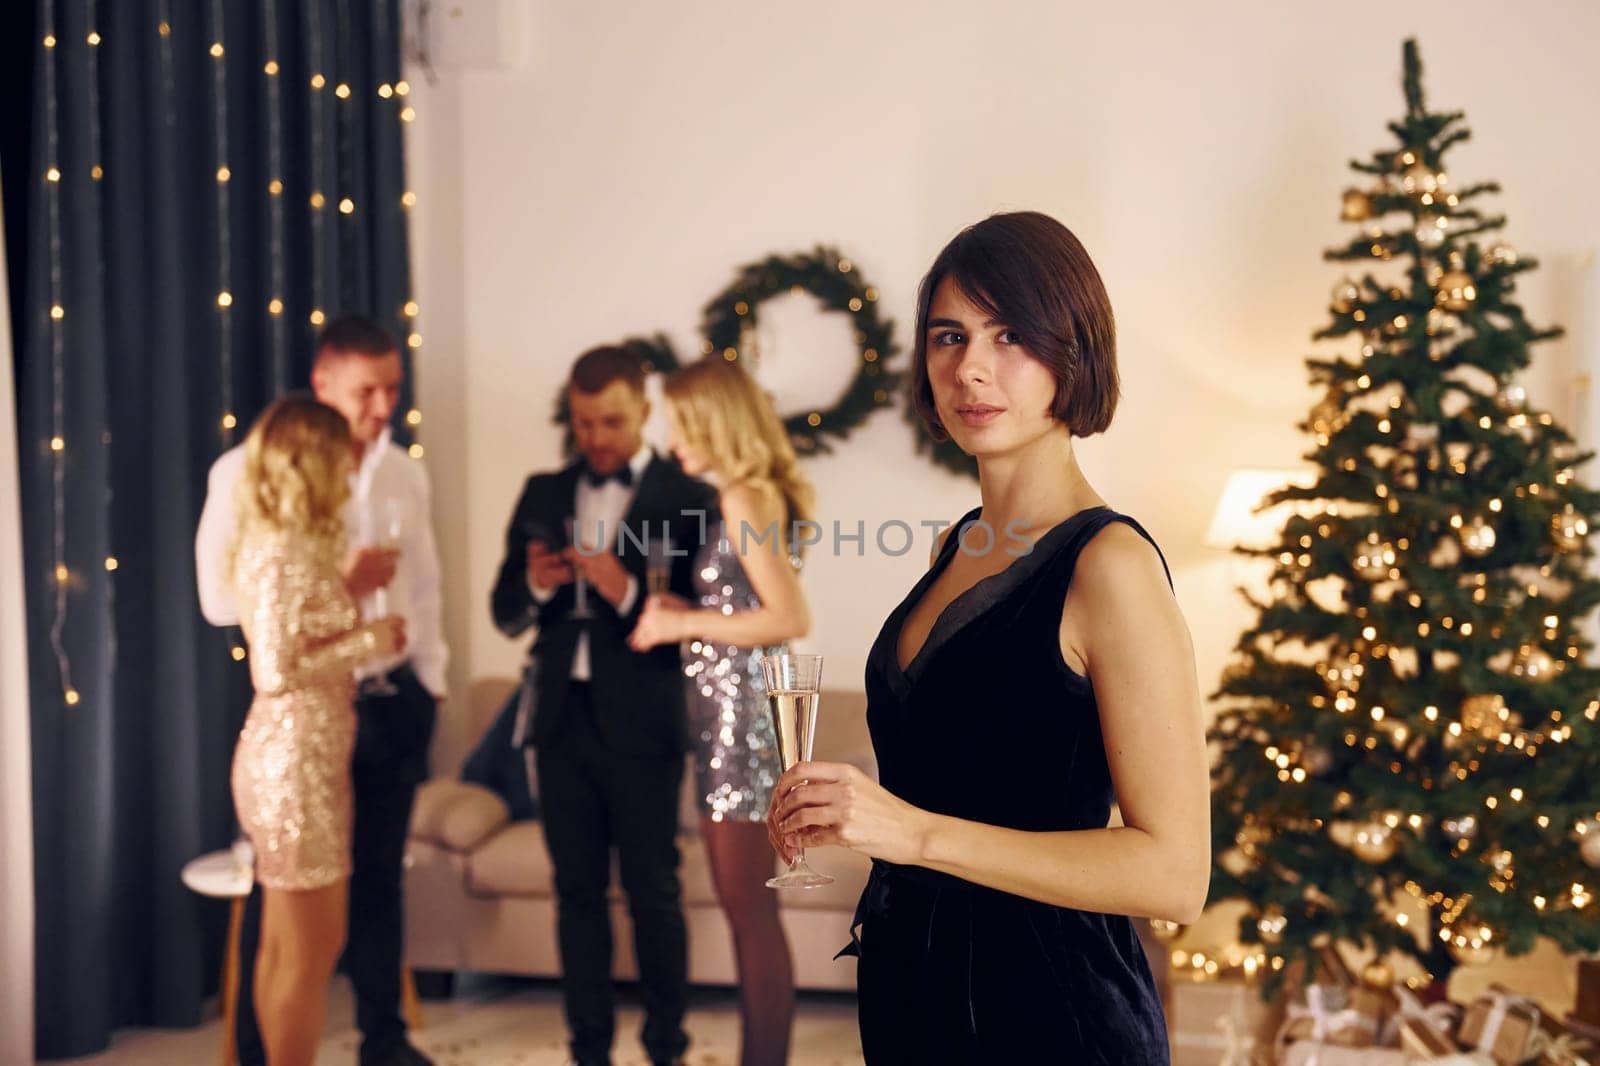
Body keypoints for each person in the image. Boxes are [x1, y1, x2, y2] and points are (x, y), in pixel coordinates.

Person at [766, 211, 1210, 1063]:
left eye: (1010, 334)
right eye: (948, 334)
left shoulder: (1107, 564)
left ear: (1073, 352)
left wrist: (912, 832)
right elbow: (969, 770)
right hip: (914, 995)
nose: (969, 367)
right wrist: (848, 810)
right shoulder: (956, 547)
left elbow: (1174, 875)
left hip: (1052, 1012)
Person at [196, 316, 448, 1066]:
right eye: (367, 390)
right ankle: (257, 1054)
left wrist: (426, 681)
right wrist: (349, 597)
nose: (382, 408)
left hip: (384, 704)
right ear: (324, 384)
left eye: (392, 389)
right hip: (298, 740)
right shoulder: (244, 475)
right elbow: (226, 601)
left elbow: (426, 589)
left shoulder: (405, 471)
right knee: (292, 922)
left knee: (374, 888)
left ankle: (385, 1041)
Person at [491, 345, 716, 1066]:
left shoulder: (690, 497)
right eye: (584, 423)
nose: (595, 438)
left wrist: (623, 590)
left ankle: (666, 1047)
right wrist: (538, 585)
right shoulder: (541, 493)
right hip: (558, 723)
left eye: (611, 422)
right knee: (575, 894)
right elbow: (505, 612)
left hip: (646, 724)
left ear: (645, 412)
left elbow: (706, 616)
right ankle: (587, 1048)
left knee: (654, 892)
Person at [627, 357, 813, 1066]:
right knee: (749, 916)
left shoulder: (745, 497)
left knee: (750, 916)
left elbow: (787, 616)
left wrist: (681, 627)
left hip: (740, 727)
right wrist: (692, 613)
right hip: (727, 720)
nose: (671, 437)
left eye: (680, 422)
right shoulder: (751, 494)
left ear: (715, 422)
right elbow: (744, 608)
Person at [226, 395, 409, 1066]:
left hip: (303, 756)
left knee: (287, 947)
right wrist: (368, 638)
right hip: (292, 764)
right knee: (309, 952)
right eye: (338, 457)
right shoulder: (276, 551)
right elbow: (274, 671)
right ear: (309, 462)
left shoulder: (290, 544)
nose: (347, 468)